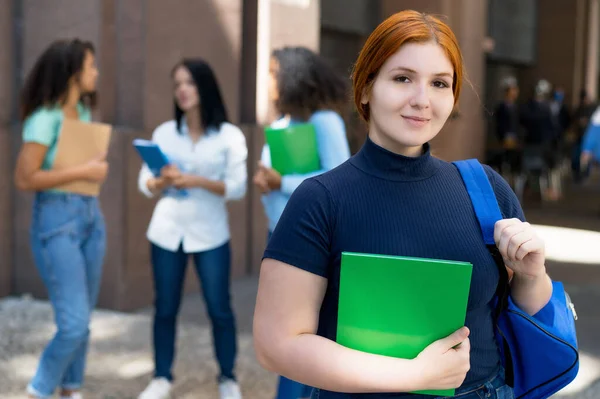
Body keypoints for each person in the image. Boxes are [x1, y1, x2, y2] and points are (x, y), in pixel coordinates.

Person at [253, 10, 553, 399]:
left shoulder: (484, 188)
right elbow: (277, 344)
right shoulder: (320, 200)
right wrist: (413, 375)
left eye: (440, 83)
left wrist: (532, 274)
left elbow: (528, 312)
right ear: (365, 88)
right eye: (402, 78)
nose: (421, 100)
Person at [137, 59, 247, 399]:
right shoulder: (164, 133)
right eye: (177, 84)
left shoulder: (229, 136)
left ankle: (228, 378)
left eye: (189, 83)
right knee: (165, 307)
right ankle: (161, 378)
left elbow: (238, 187)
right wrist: (162, 180)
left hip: (210, 234)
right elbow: (145, 183)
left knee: (220, 309)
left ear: (204, 86)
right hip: (167, 231)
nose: (182, 90)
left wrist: (194, 180)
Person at [252, 46, 351, 399]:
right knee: (281, 340)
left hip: (313, 244)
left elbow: (340, 178)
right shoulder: (280, 125)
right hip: (278, 237)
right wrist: (266, 184)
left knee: (299, 339)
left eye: (273, 72)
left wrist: (283, 182)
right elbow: (275, 186)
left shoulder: (324, 122)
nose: (268, 81)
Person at [14, 39, 106, 399]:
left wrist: (92, 172)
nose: (95, 73)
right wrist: (83, 169)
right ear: (72, 73)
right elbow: (24, 179)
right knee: (74, 323)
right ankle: (39, 389)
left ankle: (71, 389)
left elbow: (75, 170)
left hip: (90, 218)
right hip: (56, 223)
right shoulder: (44, 119)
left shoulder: (81, 114)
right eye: (90, 67)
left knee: (82, 322)